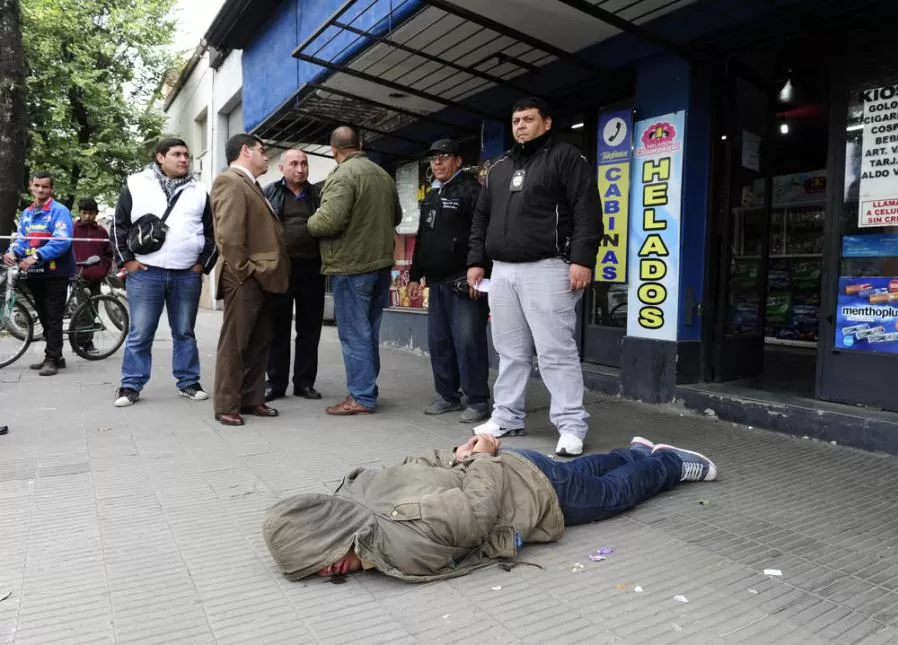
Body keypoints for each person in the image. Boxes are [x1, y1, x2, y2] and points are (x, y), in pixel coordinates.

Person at [262, 434, 717, 582]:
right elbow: (421, 464)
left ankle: (670, 463)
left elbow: (479, 509)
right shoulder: (358, 488)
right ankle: (634, 452)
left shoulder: (403, 544)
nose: (326, 573)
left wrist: (478, 457)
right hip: (516, 466)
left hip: (530, 492)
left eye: (320, 565)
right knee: (586, 471)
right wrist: (464, 455)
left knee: (612, 496)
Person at [467, 97, 604, 457]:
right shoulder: (499, 167)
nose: (521, 126)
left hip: (549, 266)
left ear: (546, 123)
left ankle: (571, 424)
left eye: (528, 119)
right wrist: (476, 261)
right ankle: (507, 415)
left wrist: (582, 259)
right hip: (503, 271)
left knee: (555, 350)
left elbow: (586, 208)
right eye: (515, 120)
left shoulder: (566, 157)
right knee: (510, 351)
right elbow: (482, 218)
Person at [111, 138, 218, 407]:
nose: (184, 160)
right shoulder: (136, 184)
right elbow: (118, 226)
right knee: (140, 332)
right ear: (160, 157)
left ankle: (188, 382)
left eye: (187, 155)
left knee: (184, 331)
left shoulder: (199, 191)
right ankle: (130, 385)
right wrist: (128, 262)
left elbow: (213, 232)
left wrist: (201, 266)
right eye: (177, 154)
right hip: (146, 274)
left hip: (186, 274)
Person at [308, 126, 402, 416]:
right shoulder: (382, 174)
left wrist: (309, 222)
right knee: (369, 331)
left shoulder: (342, 175)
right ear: (358, 144)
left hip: (351, 266)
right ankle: (367, 390)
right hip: (380, 265)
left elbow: (328, 222)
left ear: (334, 150)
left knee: (353, 334)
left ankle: (361, 396)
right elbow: (396, 216)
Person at [407, 139, 490, 423]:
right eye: (433, 159)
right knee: (439, 342)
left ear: (457, 160)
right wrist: (415, 274)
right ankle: (447, 396)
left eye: (443, 157)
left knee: (468, 342)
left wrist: (478, 269)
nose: (437, 163)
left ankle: (478, 400)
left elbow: (482, 235)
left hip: (464, 281)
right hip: (438, 281)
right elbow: (422, 236)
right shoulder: (432, 194)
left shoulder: (472, 190)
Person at [211, 134, 289, 427]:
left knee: (259, 341)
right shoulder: (230, 181)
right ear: (245, 151)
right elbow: (228, 236)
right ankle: (226, 404)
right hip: (244, 277)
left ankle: (251, 398)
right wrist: (246, 271)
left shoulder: (252, 185)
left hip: (261, 277)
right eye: (262, 150)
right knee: (235, 343)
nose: (266, 156)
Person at [263, 150, 325, 402]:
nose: (300, 169)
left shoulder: (318, 194)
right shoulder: (269, 192)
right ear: (282, 168)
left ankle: (304, 383)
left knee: (309, 329)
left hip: (312, 269)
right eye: (294, 164)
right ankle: (275, 384)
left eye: (304, 164)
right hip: (281, 269)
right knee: (278, 329)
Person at [3, 172, 75, 376]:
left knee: (53, 316)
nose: (41, 190)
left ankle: (52, 358)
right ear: (31, 186)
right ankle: (55, 356)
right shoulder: (27, 213)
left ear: (51, 189)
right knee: (43, 315)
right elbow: (23, 240)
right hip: (35, 273)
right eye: (37, 185)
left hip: (56, 272)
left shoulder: (59, 211)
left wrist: (36, 256)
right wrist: (12, 253)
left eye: (45, 186)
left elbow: (62, 241)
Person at [72, 198, 114, 353]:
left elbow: (108, 253)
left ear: (96, 214)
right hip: (78, 277)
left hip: (96, 277)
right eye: (84, 213)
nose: (88, 216)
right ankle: (83, 343)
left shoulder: (101, 231)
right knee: (84, 311)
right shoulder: (72, 229)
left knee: (93, 309)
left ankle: (84, 342)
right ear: (80, 213)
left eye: (91, 213)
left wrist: (103, 270)